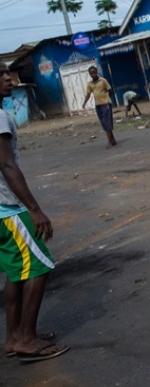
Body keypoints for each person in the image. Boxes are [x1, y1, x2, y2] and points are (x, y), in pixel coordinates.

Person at [0, 62, 70, 363]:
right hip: (8, 210)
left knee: (15, 274)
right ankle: (27, 338)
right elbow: (6, 165)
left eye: (7, 73)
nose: (8, 78)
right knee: (39, 267)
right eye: (0, 75)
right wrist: (35, 209)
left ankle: (14, 337)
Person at [82, 65, 117, 148]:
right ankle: (113, 140)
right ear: (89, 74)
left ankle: (109, 142)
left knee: (107, 121)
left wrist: (107, 98)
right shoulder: (90, 84)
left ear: (97, 72)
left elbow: (110, 90)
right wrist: (84, 103)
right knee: (104, 123)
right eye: (91, 73)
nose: (93, 74)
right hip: (98, 105)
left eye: (94, 72)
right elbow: (88, 94)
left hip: (106, 104)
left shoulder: (103, 80)